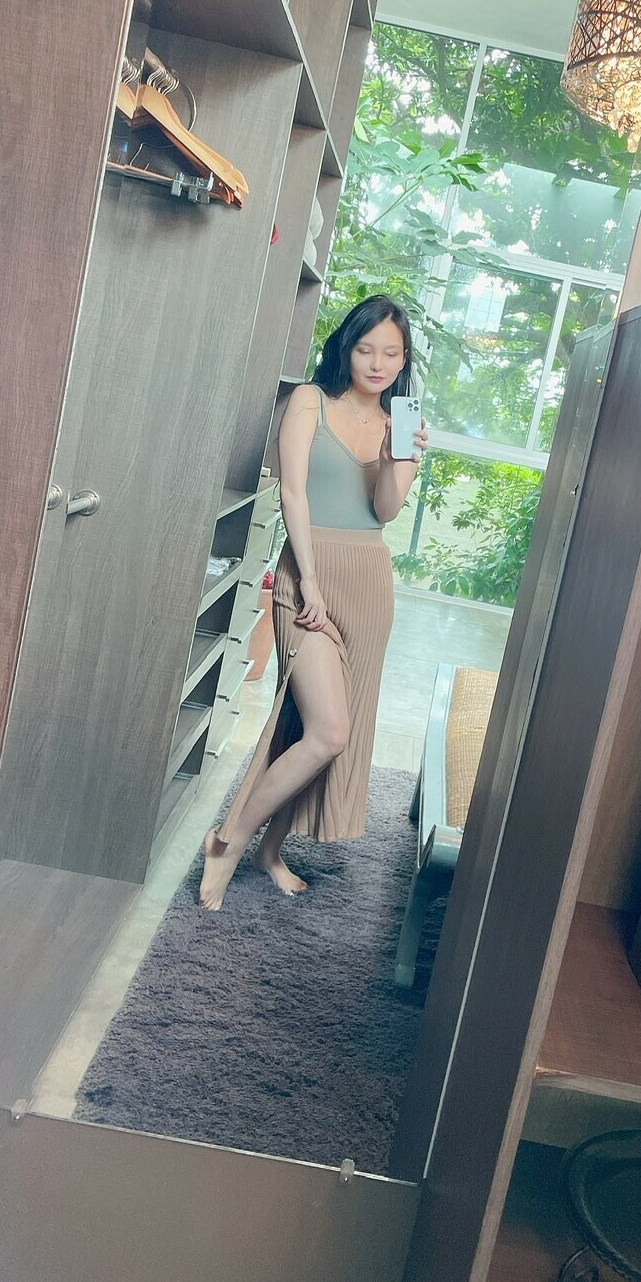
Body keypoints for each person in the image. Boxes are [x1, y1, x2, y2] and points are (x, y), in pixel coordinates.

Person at [199, 295, 428, 910]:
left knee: (316, 731)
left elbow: (384, 510)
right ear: (346, 348)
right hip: (308, 574)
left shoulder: (402, 424)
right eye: (366, 349)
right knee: (326, 730)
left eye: (391, 353)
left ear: (403, 360)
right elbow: (293, 495)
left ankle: (270, 851)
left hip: (368, 580)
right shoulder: (309, 401)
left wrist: (396, 460)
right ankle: (227, 842)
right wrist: (311, 582)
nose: (377, 364)